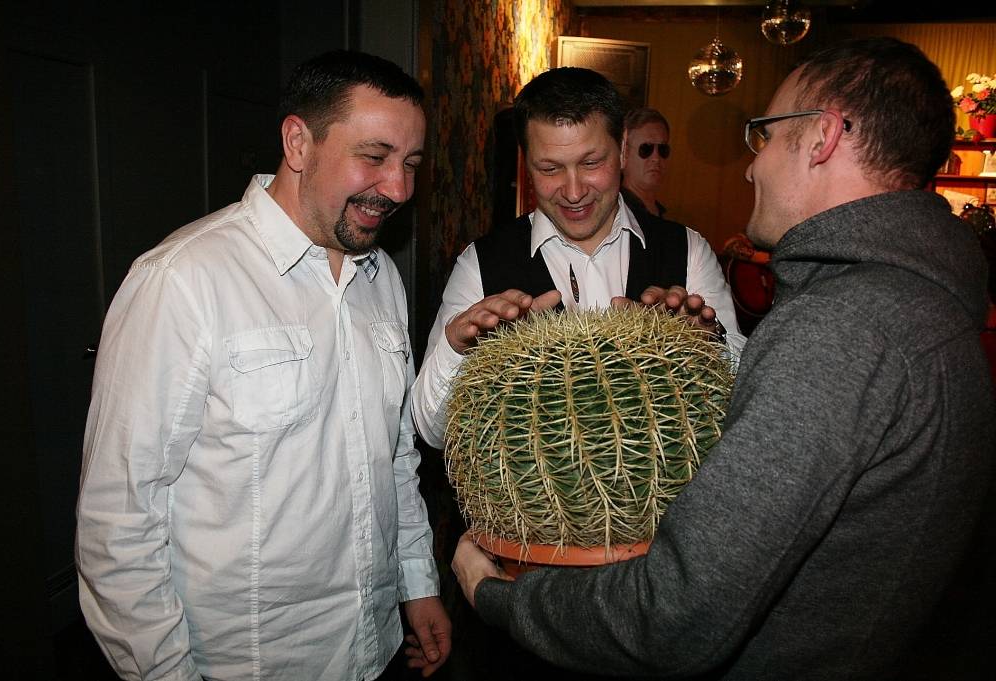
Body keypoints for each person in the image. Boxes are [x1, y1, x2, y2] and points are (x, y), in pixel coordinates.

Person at [450, 37, 994, 679]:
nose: (749, 167)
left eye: (764, 135)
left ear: (821, 138)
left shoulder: (841, 331)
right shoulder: (922, 307)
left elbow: (675, 614)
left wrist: (499, 597)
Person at [76, 50, 450, 681]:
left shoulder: (381, 276)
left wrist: (417, 582)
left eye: (411, 163)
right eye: (375, 156)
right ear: (298, 142)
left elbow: (393, 459)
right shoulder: (183, 281)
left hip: (375, 649)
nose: (399, 189)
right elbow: (120, 520)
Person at [411, 67, 745, 450]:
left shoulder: (687, 250)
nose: (573, 192)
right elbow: (432, 432)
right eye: (550, 168)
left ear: (620, 151)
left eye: (591, 163)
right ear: (526, 163)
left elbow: (744, 401)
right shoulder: (480, 262)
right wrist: (457, 348)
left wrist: (709, 347)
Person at [620, 106, 672, 219]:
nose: (656, 158)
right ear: (624, 154)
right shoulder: (615, 213)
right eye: (646, 149)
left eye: (662, 149)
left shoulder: (658, 211)